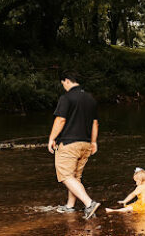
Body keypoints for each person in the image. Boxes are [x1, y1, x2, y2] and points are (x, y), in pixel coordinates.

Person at [47, 71, 101, 219]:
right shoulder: (90, 99)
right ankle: (70, 206)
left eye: (63, 83)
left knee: (65, 176)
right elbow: (95, 123)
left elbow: (60, 120)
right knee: (75, 177)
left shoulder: (66, 97)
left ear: (67, 81)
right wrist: (93, 142)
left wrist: (52, 138)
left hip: (69, 143)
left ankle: (89, 203)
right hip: (85, 143)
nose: (63, 86)